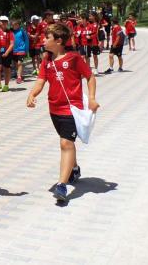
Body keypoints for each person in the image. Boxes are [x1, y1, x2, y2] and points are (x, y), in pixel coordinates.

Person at [26, 23, 100, 202]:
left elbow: (90, 76)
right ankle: (74, 168)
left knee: (66, 143)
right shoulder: (47, 61)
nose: (43, 40)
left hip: (71, 109)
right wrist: (32, 94)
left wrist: (91, 98)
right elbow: (40, 81)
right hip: (54, 109)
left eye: (47, 38)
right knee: (68, 143)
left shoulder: (74, 58)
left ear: (59, 41)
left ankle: (62, 185)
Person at [0, 16, 15, 93]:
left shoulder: (10, 32)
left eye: (6, 21)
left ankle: (6, 85)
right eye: (2, 21)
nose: (4, 23)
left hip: (7, 52)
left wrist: (7, 52)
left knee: (7, 68)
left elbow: (12, 44)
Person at [11, 19, 29, 84]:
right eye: (13, 25)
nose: (14, 26)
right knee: (16, 64)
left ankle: (19, 77)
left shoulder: (22, 31)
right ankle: (19, 74)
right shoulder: (11, 32)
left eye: (16, 25)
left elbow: (26, 40)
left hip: (21, 49)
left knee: (19, 63)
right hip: (13, 50)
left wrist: (26, 49)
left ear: (18, 25)